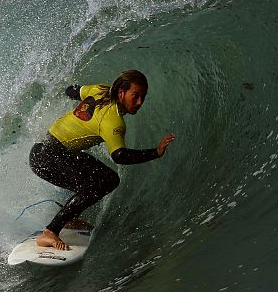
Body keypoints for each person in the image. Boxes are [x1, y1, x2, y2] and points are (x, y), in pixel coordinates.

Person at [28, 69, 176, 250]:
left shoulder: (100, 90)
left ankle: (69, 219)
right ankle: (50, 232)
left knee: (104, 178)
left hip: (43, 150)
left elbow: (71, 91)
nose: (139, 102)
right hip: (47, 160)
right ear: (121, 93)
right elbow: (119, 156)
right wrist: (156, 152)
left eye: (143, 97)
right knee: (102, 183)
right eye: (135, 96)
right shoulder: (114, 121)